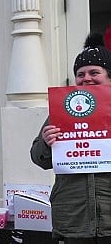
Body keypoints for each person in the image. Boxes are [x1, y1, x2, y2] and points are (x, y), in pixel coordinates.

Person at [30, 33, 111, 243]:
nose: (87, 78)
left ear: (109, 76)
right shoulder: (63, 111)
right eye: (80, 74)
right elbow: (39, 159)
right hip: (73, 218)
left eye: (95, 72)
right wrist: (46, 144)